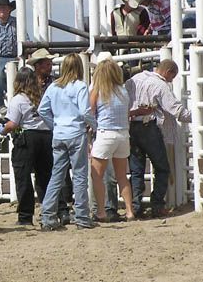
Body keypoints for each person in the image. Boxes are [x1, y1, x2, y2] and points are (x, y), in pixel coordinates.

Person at [0, 68, 66, 226]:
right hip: (46, 136)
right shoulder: (42, 96)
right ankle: (54, 210)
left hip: (27, 137)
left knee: (23, 177)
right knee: (46, 177)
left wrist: (2, 130)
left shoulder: (18, 99)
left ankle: (25, 216)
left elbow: (13, 123)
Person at [125, 59, 191, 218]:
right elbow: (176, 110)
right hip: (149, 128)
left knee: (136, 170)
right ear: (169, 72)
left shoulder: (133, 80)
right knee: (162, 167)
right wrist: (195, 115)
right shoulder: (160, 86)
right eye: (172, 77)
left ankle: (136, 206)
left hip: (132, 126)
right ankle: (157, 204)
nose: (171, 81)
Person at [38, 53, 97, 231]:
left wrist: (54, 125)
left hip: (59, 133)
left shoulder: (54, 86)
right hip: (76, 133)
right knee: (79, 176)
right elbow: (85, 112)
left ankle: (47, 216)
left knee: (57, 175)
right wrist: (95, 126)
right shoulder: (80, 86)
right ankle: (82, 217)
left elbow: (42, 110)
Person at [90, 58, 148, 223]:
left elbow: (89, 113)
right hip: (123, 134)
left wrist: (92, 127)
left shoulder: (98, 90)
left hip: (105, 133)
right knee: (122, 176)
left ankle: (101, 211)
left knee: (97, 176)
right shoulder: (122, 92)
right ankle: (129, 211)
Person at [27, 47, 72, 223]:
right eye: (47, 63)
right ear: (38, 66)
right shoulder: (47, 84)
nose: (50, 65)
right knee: (46, 172)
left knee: (58, 171)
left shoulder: (52, 83)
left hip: (52, 130)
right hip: (48, 130)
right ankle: (53, 207)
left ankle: (61, 207)